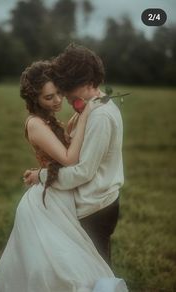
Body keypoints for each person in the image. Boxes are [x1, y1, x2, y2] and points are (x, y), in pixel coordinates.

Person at [0, 60, 127, 291]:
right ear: (35, 100)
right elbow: (69, 159)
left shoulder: (52, 119)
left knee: (81, 265)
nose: (58, 100)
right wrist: (85, 116)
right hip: (47, 202)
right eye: (48, 97)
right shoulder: (36, 124)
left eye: (59, 93)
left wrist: (80, 118)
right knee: (58, 270)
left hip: (62, 194)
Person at [26, 44, 124, 266]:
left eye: (68, 88)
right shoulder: (93, 109)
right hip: (93, 203)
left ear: (89, 83)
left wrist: (41, 176)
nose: (66, 95)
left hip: (95, 208)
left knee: (95, 276)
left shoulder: (100, 116)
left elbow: (82, 172)